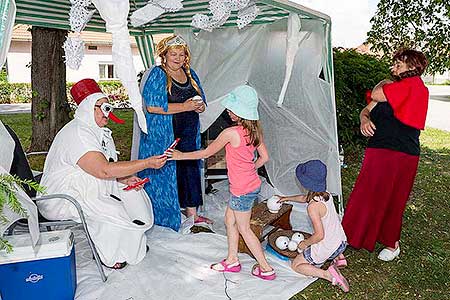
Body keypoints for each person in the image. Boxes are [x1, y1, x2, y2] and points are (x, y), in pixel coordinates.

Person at [38, 79, 168, 269]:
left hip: (93, 183)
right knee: (110, 209)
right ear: (89, 108)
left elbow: (108, 168)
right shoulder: (78, 133)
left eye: (110, 108)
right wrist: (147, 163)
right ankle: (109, 256)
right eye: (105, 107)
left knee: (135, 197)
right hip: (63, 196)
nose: (109, 113)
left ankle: (130, 247)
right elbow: (103, 170)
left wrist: (124, 178)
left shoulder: (98, 132)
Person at [171, 85, 276, 280]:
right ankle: (232, 259)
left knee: (244, 228)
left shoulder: (231, 133)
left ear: (242, 112)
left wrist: (179, 155)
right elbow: (265, 157)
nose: (228, 110)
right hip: (251, 185)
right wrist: (250, 168)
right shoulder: (255, 131)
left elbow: (205, 153)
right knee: (229, 220)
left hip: (241, 190)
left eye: (232, 108)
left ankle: (266, 268)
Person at [342, 49, 429, 261]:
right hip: (378, 147)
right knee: (366, 192)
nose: (395, 66)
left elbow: (376, 94)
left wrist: (381, 84)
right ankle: (352, 235)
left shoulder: (415, 85)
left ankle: (392, 243)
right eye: (395, 63)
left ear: (413, 66)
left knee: (394, 198)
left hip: (402, 152)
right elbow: (366, 109)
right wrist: (364, 120)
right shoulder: (392, 87)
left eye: (400, 63)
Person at [138, 34, 210, 231]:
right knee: (166, 171)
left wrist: (200, 107)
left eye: (181, 54)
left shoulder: (190, 74)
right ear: (164, 55)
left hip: (188, 131)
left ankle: (192, 214)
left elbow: (201, 99)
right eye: (173, 54)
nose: (177, 58)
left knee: (190, 169)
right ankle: (166, 214)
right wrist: (186, 106)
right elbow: (152, 107)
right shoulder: (158, 74)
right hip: (164, 134)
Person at [277, 160, 349, 292]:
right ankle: (340, 258)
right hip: (341, 241)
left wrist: (305, 243)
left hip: (328, 245)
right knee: (331, 230)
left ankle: (327, 274)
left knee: (296, 265)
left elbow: (319, 235)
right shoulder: (324, 194)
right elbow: (304, 198)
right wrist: (285, 198)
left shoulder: (313, 207)